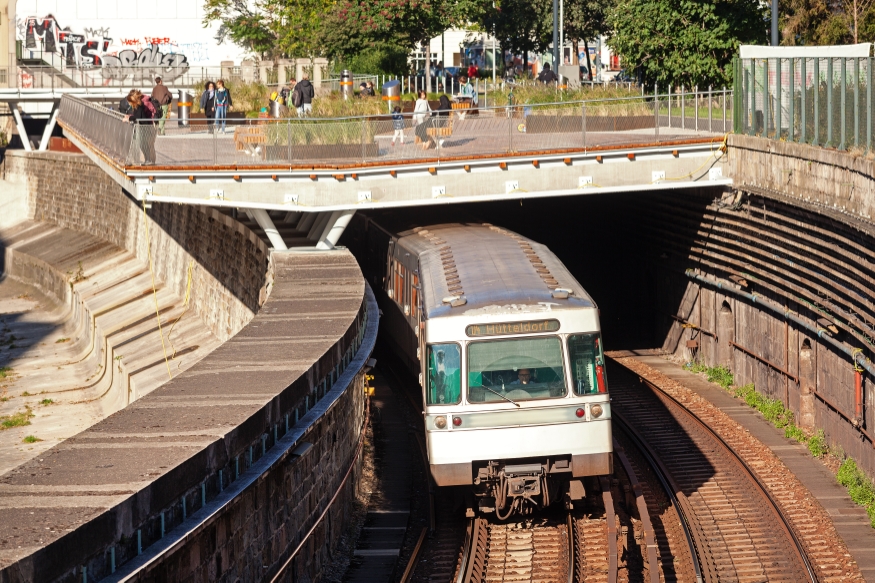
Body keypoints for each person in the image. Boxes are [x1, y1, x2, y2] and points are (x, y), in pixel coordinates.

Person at [122, 90, 156, 165]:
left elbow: (138, 117)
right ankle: (134, 160)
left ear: (133, 101)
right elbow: (136, 116)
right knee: (140, 144)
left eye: (130, 102)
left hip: (144, 128)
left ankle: (148, 160)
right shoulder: (138, 106)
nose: (129, 104)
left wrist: (128, 119)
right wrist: (130, 116)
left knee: (143, 145)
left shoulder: (139, 106)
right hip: (141, 127)